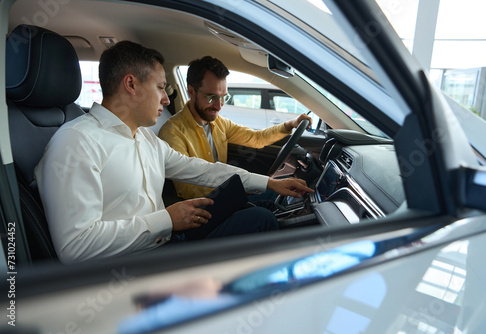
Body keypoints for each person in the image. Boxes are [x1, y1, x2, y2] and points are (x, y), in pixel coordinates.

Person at [34, 41, 313, 265]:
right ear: (131, 85)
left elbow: (205, 169)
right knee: (260, 220)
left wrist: (269, 183)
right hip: (134, 267)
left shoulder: (144, 138)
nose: (167, 99)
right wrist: (166, 219)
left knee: (258, 217)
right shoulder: (76, 143)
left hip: (166, 240)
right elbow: (76, 247)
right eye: (159, 88)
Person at [158, 56, 312, 200]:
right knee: (268, 210)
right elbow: (189, 190)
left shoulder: (219, 123)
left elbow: (256, 139)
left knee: (282, 195)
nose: (219, 106)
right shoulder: (172, 133)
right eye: (212, 97)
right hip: (204, 209)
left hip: (227, 194)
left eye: (223, 96)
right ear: (191, 91)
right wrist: (240, 187)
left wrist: (290, 124)